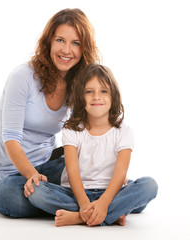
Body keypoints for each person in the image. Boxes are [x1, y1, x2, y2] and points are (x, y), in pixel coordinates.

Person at [0, 8, 101, 217]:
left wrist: (104, 169)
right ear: (49, 41)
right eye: (60, 40)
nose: (67, 50)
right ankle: (99, 205)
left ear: (84, 49)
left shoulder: (78, 82)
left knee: (95, 169)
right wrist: (32, 176)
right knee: (9, 199)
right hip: (10, 176)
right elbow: (11, 138)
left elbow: (89, 134)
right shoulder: (23, 76)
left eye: (75, 43)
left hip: (50, 167)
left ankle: (91, 200)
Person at [27, 63, 158, 227]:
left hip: (110, 192)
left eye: (104, 91)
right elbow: (72, 169)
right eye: (89, 92)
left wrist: (103, 203)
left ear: (113, 96)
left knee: (149, 186)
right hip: (75, 193)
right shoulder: (71, 129)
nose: (97, 96)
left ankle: (80, 217)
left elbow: (120, 172)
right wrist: (82, 203)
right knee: (36, 192)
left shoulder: (124, 131)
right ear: (81, 98)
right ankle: (110, 214)